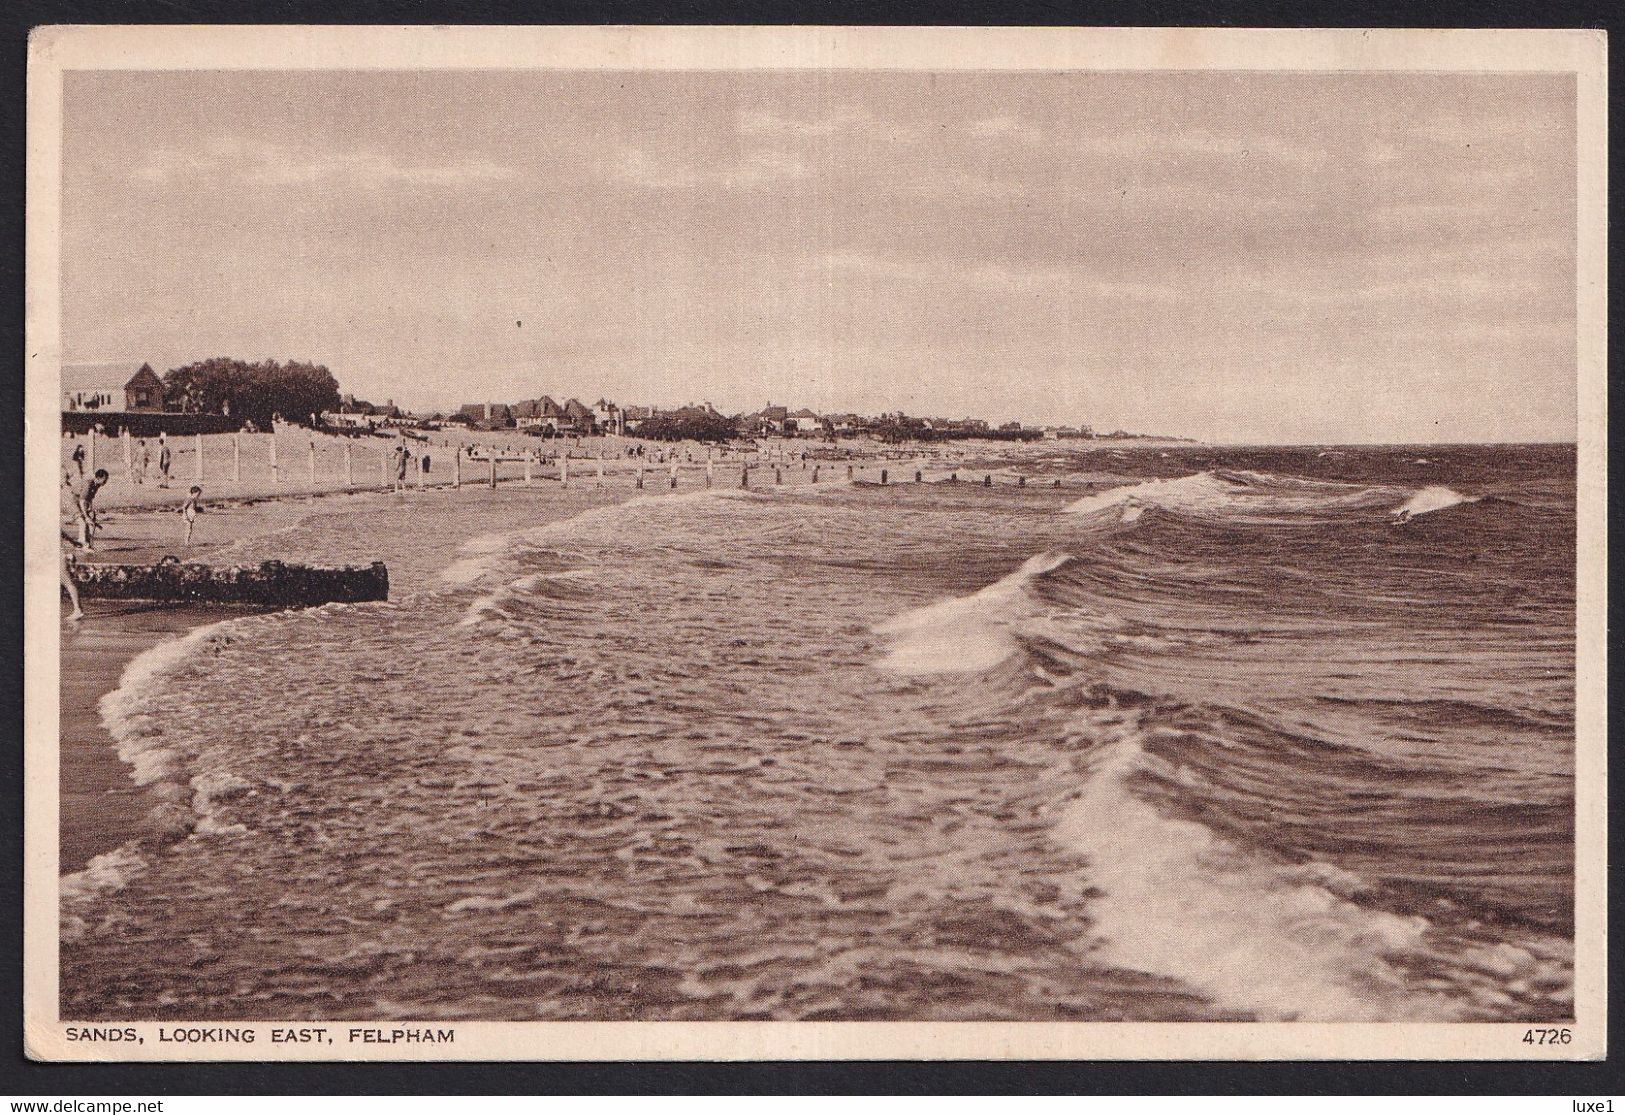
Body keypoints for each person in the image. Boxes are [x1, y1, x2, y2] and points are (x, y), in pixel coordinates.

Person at [75, 468, 109, 551]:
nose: (105, 482)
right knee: (83, 521)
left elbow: (89, 499)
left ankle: (88, 544)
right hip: (75, 504)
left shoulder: (97, 485)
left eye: (106, 480)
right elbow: (82, 501)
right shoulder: (88, 485)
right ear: (98, 478)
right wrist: (86, 516)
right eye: (104, 480)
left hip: (82, 503)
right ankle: (82, 544)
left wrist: (91, 512)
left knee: (92, 521)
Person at [60, 529, 83, 621]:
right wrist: (73, 542)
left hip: (58, 557)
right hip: (60, 556)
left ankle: (78, 610)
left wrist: (73, 542)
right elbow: (62, 533)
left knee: (67, 582)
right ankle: (78, 609)